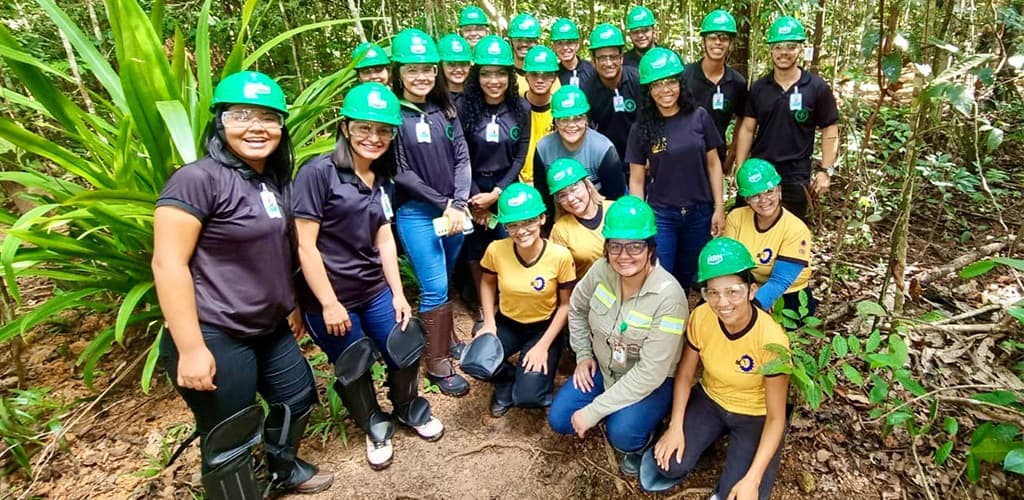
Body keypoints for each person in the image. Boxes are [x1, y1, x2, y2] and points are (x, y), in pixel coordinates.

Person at [153, 71, 333, 498]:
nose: (257, 127)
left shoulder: (270, 180)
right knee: (228, 434)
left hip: (268, 326)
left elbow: (278, 250)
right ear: (220, 121)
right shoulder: (197, 180)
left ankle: (282, 471)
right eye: (241, 115)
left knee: (297, 397)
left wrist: (291, 302)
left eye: (269, 118)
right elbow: (168, 264)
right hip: (215, 330)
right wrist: (191, 348)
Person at [292, 83, 444, 470]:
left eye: (383, 130)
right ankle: (373, 423)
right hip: (331, 295)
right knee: (354, 362)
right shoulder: (318, 173)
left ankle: (408, 406)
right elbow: (305, 246)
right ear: (345, 127)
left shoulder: (381, 178)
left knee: (404, 342)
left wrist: (398, 294)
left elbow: (384, 239)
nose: (374, 137)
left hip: (373, 288)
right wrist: (329, 303)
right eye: (364, 127)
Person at [639, 237, 790, 500]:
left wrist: (753, 479)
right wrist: (675, 426)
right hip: (711, 399)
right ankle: (705, 442)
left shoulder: (771, 340)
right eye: (713, 293)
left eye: (733, 291)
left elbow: (777, 417)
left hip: (754, 414)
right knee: (668, 465)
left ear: (751, 290)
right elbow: (685, 375)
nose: (722, 302)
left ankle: (735, 463)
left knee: (742, 494)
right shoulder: (701, 317)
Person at [548, 196, 687, 478]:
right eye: (615, 246)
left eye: (635, 246)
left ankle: (646, 434)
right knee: (560, 420)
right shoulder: (601, 271)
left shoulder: (669, 297)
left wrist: (593, 411)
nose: (624, 256)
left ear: (650, 248)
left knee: (623, 435)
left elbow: (650, 373)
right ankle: (615, 410)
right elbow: (577, 308)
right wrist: (583, 354)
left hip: (649, 381)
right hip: (604, 366)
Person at [390, 28, 471, 396]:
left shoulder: (445, 109)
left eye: (426, 69)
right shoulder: (394, 115)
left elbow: (462, 158)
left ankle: (447, 338)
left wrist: (459, 202)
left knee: (445, 277)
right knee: (434, 285)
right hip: (417, 213)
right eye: (412, 69)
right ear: (399, 72)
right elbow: (401, 172)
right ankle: (436, 362)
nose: (420, 76)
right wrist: (445, 204)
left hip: (453, 211)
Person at [626, 47, 726, 291]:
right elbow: (636, 180)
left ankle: (689, 313)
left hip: (699, 212)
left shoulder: (699, 117)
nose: (665, 90)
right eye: (657, 84)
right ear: (648, 90)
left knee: (693, 275)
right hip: (662, 215)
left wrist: (719, 207)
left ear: (680, 83)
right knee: (661, 276)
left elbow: (714, 164)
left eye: (671, 82)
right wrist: (641, 221)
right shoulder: (641, 129)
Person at [475, 183, 576, 417]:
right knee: (476, 362)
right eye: (512, 224)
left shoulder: (559, 256)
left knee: (529, 398)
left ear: (542, 219)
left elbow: (565, 305)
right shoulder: (496, 249)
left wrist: (542, 346)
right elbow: (487, 282)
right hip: (508, 322)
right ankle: (507, 379)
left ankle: (529, 378)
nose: (521, 231)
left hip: (543, 327)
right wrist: (489, 322)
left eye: (528, 221)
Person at [734, 16, 839, 221]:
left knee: (790, 230)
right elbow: (747, 129)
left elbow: (830, 129)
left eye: (791, 46)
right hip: (759, 170)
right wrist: (740, 168)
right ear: (771, 50)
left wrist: (826, 170)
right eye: (778, 46)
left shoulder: (816, 88)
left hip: (795, 175)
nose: (784, 52)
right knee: (745, 226)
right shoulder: (759, 88)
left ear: (800, 49)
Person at [458, 35, 531, 317]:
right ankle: (483, 305)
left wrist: (496, 194)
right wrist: (477, 199)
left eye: (500, 73)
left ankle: (511, 303)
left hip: (506, 187)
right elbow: (461, 155)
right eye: (486, 73)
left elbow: (520, 156)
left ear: (509, 76)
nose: (494, 81)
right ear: (477, 76)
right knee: (475, 248)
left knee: (510, 241)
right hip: (472, 187)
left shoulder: (521, 108)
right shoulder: (464, 107)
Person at [724, 159, 814, 317]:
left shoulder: (796, 229)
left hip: (787, 294)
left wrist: (753, 307)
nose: (763, 200)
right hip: (745, 289)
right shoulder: (736, 218)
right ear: (747, 199)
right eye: (755, 195)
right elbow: (728, 265)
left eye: (769, 191)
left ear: (779, 190)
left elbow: (780, 281)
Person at [533, 84, 625, 231]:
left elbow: (615, 198)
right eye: (564, 119)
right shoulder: (543, 148)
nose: (571, 125)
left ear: (586, 120)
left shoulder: (603, 149)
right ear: (555, 121)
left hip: (599, 219)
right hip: (561, 219)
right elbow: (543, 195)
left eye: (577, 119)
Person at [682, 10, 747, 173]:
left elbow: (743, 120)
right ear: (703, 42)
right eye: (712, 37)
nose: (718, 42)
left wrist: (731, 156)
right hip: (683, 157)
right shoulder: (684, 75)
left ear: (730, 44)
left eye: (723, 38)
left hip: (717, 159)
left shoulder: (737, 82)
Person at [584, 23, 640, 163]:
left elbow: (651, 119)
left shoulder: (637, 80)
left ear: (621, 58)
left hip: (640, 157)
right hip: (605, 159)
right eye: (602, 58)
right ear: (594, 61)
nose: (608, 63)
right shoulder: (587, 90)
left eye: (613, 57)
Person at [546, 158, 610, 279]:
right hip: (588, 288)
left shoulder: (614, 210)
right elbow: (559, 274)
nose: (570, 199)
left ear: (588, 186)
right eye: (562, 195)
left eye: (574, 189)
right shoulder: (560, 230)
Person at [521, 45, 559, 183]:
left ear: (554, 77)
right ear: (526, 76)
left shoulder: (561, 111)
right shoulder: (514, 108)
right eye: (534, 74)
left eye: (546, 75)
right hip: (518, 183)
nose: (540, 80)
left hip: (553, 183)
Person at [550, 17, 596, 90]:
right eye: (559, 43)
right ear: (553, 47)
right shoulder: (552, 75)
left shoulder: (592, 70)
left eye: (569, 42)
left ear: (577, 45)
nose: (565, 47)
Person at [507, 13, 541, 91]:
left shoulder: (547, 73)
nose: (524, 44)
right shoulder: (503, 74)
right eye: (519, 39)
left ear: (537, 42)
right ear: (511, 41)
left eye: (529, 40)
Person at [439, 33, 473, 106]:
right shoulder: (433, 98)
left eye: (463, 64)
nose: (459, 69)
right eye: (452, 64)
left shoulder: (477, 96)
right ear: (441, 65)